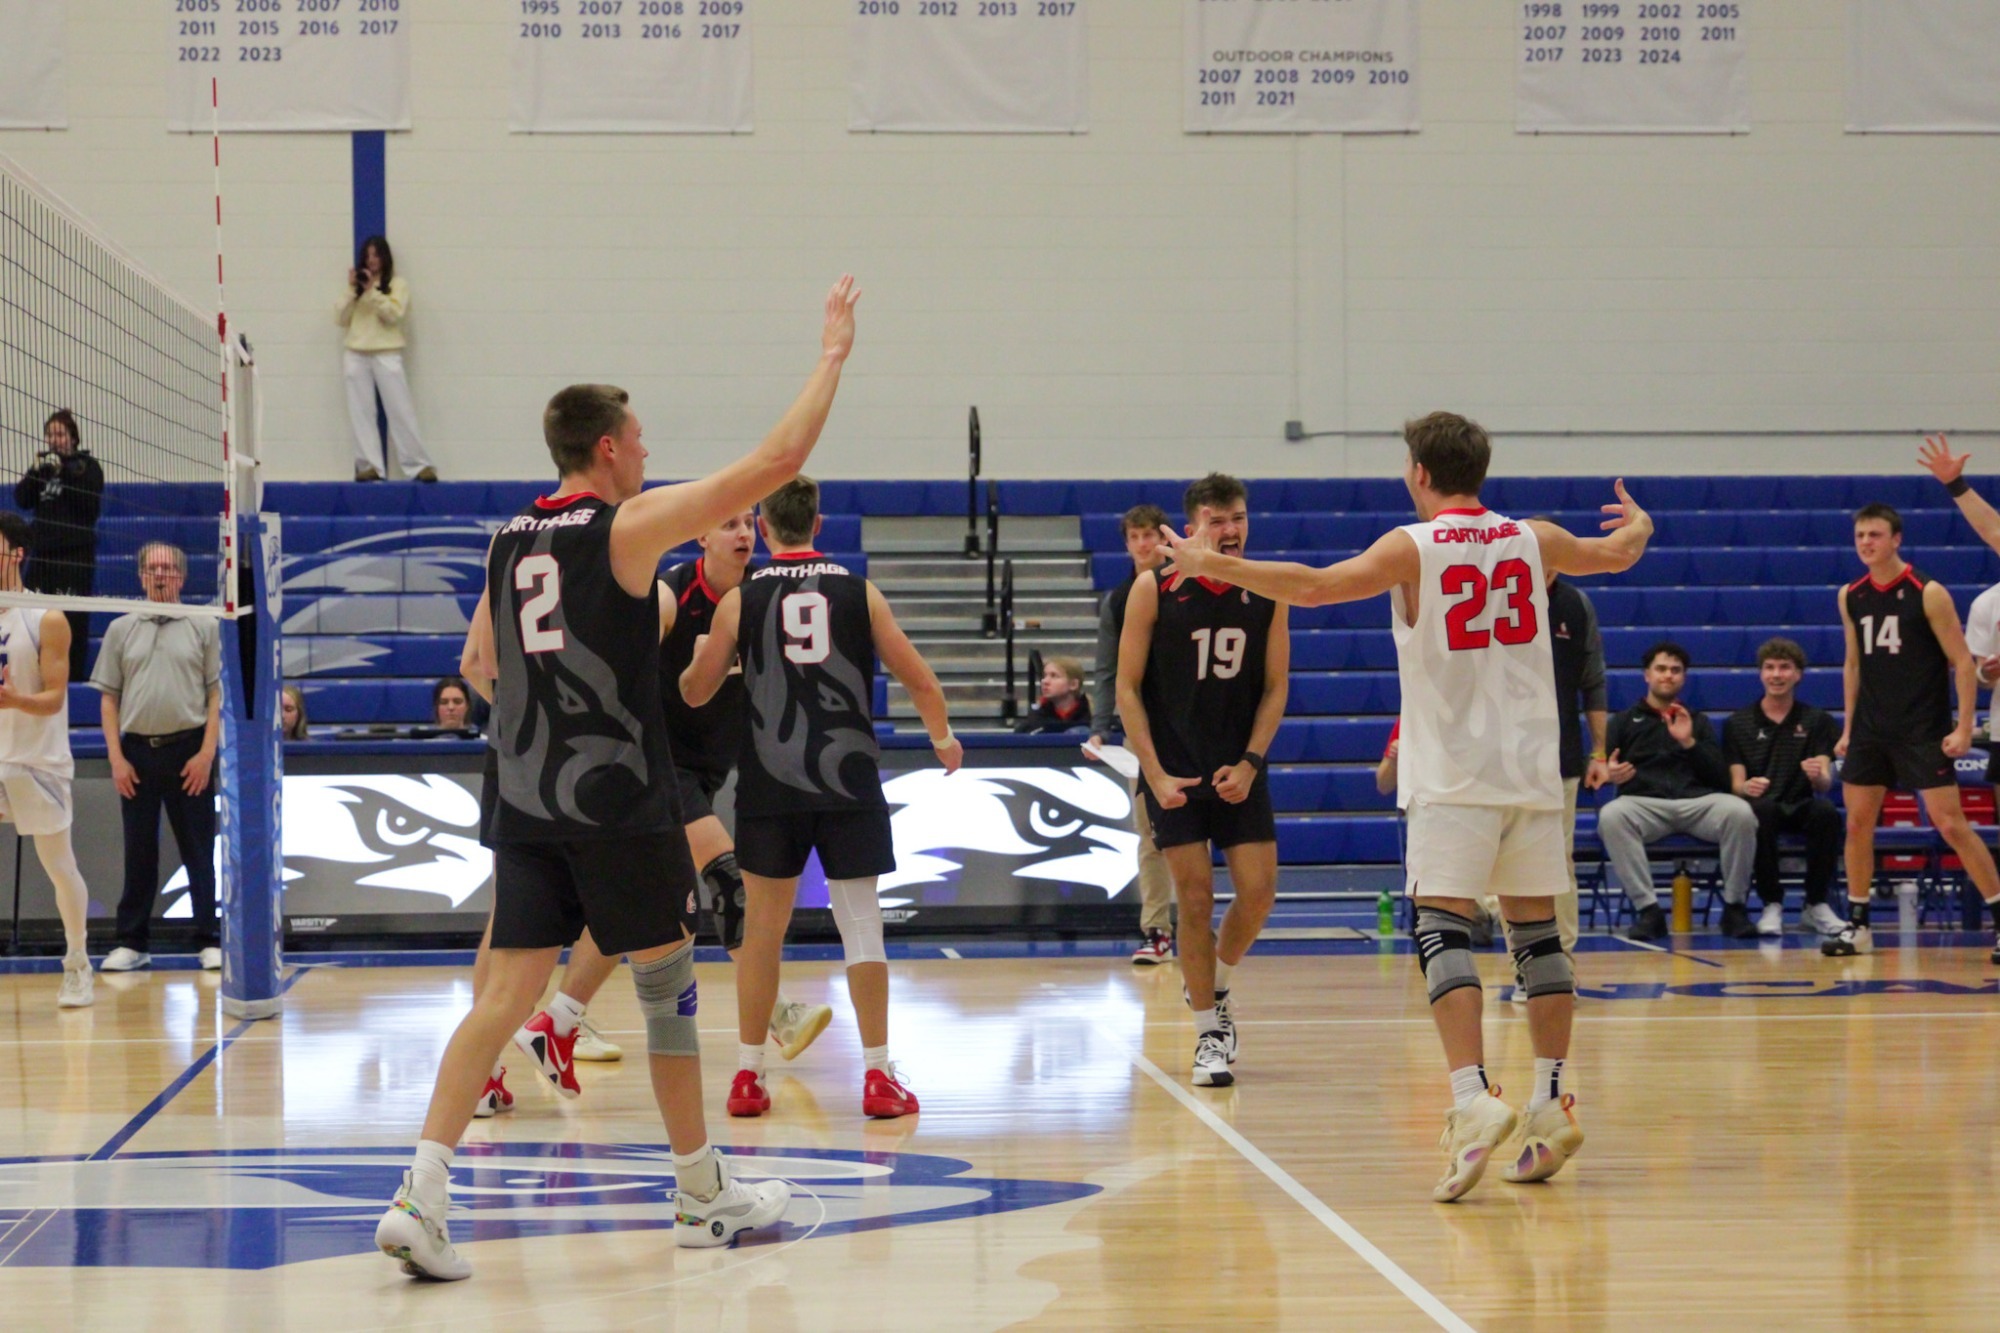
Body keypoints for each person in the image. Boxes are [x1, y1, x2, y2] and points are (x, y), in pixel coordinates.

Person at [373, 275, 860, 1281]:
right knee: (669, 979)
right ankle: (700, 1191)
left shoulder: (507, 540)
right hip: (616, 797)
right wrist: (830, 357)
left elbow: (483, 665)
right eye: (636, 440)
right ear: (604, 448)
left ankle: (421, 1192)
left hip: (522, 795)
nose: (644, 452)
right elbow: (774, 463)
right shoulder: (624, 529)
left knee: (503, 996)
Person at [1158, 411, 1654, 1201]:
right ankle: (1553, 1098)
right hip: (1531, 770)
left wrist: (1199, 557)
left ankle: (1470, 1099)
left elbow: (1313, 587)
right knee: (1537, 935)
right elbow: (1621, 552)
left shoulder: (1411, 546)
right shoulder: (1536, 537)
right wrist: (1642, 523)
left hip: (1453, 775)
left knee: (1443, 927)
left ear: (1420, 473)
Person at [508, 509, 833, 1106]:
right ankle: (776, 1014)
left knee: (644, 905)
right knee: (729, 884)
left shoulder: (763, 600)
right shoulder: (669, 593)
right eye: (727, 523)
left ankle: (557, 1021)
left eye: (747, 525)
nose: (740, 533)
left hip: (709, 770)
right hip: (656, 766)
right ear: (702, 535)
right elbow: (619, 662)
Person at [682, 476, 962, 1121]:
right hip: (847, 780)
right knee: (861, 927)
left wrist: (709, 666)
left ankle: (748, 1077)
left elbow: (694, 692)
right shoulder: (858, 592)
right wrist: (943, 739)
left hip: (770, 785)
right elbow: (920, 680)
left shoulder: (741, 600)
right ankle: (877, 1075)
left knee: (762, 934)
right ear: (818, 523)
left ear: (764, 525)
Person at [1117, 473, 1289, 1089]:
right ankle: (1208, 1034)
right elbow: (1126, 690)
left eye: (1238, 517)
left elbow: (1275, 687)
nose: (1231, 529)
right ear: (1191, 528)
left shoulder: (1268, 591)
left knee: (1260, 892)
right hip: (1174, 771)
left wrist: (1251, 762)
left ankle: (1214, 984)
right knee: (1193, 898)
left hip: (1238, 766)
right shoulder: (1153, 589)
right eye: (1217, 520)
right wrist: (1155, 774)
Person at [1823, 503, 2000, 960]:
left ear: (1896, 539)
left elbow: (1962, 661)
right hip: (1870, 729)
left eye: (1875, 535)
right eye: (1860, 535)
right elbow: (1853, 662)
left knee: (1950, 824)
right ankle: (1859, 924)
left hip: (1922, 728)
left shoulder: (1928, 592)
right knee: (1858, 823)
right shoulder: (1851, 595)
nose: (1866, 543)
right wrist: (1848, 726)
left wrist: (1963, 726)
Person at [92, 543, 222, 972]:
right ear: (141, 576)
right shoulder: (120, 628)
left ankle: (209, 938)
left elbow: (215, 694)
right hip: (136, 753)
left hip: (190, 751)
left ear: (182, 578)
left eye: (167, 568)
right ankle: (132, 942)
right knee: (139, 851)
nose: (160, 575)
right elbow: (109, 699)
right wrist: (116, 757)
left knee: (199, 850)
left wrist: (206, 752)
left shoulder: (204, 625)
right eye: (152, 568)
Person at [1597, 644, 1760, 942]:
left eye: (1675, 670)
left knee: (1740, 813)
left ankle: (1734, 907)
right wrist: (1610, 774)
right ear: (1647, 675)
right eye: (1661, 669)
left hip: (1697, 803)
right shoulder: (1622, 721)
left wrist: (1689, 743)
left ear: (1683, 678)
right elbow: (1599, 772)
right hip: (1645, 804)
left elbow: (1721, 778)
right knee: (1611, 815)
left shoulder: (1698, 721)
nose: (1668, 676)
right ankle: (1648, 910)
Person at [0, 514, 96, 1008]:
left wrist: (15, 701)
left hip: (37, 758)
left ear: (17, 554)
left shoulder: (45, 618)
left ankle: (77, 962)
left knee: (59, 866)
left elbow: (56, 698)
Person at [1087, 503, 1176, 965]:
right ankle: (1157, 930)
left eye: (1149, 535)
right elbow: (1107, 671)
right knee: (1151, 835)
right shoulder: (1118, 600)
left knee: (1196, 834)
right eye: (1134, 537)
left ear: (1165, 538)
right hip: (1142, 735)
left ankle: (1200, 924)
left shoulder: (1187, 586)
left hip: (1192, 729)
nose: (1143, 544)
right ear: (1126, 544)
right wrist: (1101, 727)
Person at [1722, 638, 1844, 938]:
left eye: (1785, 668)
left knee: (1826, 812)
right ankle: (1771, 903)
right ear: (1761, 674)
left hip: (1801, 802)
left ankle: (1815, 904)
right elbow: (1736, 785)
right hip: (1764, 805)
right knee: (1759, 812)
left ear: (1798, 674)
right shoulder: (1738, 723)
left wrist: (1817, 775)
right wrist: (1746, 787)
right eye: (1770, 668)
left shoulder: (1818, 721)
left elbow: (1825, 782)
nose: (1777, 674)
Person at [338, 235, 437, 483]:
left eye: (376, 255)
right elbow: (340, 317)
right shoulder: (357, 288)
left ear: (384, 257)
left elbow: (394, 315)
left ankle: (417, 465)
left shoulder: (398, 284)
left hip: (387, 352)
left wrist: (372, 292)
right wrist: (353, 290)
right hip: (356, 353)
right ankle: (370, 466)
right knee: (361, 413)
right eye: (368, 256)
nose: (372, 261)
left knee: (400, 409)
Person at [16, 408, 103, 683]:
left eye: (60, 434)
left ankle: (72, 680)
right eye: (50, 434)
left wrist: (66, 470)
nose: (55, 440)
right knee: (33, 617)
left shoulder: (87, 467)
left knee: (72, 621)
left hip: (74, 558)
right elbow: (22, 499)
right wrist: (35, 471)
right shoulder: (44, 469)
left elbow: (90, 506)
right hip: (43, 556)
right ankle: (37, 676)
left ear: (73, 438)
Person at [1017, 656, 1091, 733]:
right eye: (1045, 676)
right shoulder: (1034, 720)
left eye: (1054, 676)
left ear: (1073, 684)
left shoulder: (1093, 718)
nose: (1045, 681)